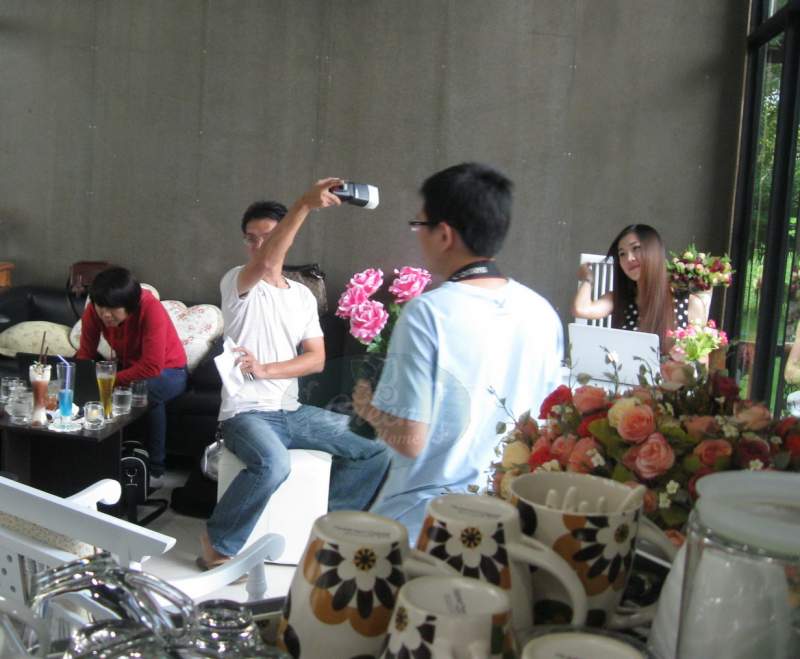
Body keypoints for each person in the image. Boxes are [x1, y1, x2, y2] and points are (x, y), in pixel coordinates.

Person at [352, 162, 564, 542]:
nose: (418, 235)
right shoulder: (542, 312)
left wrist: (368, 408)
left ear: (444, 234)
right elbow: (548, 424)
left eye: (419, 224)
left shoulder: (429, 313)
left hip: (427, 524)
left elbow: (411, 441)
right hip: (510, 522)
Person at [199, 178, 390, 568]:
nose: (259, 245)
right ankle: (217, 543)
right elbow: (266, 263)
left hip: (291, 411)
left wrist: (265, 369)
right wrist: (305, 203)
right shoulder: (237, 281)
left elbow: (316, 359)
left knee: (377, 444)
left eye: (269, 237)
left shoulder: (301, 295)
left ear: (285, 237)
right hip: (245, 414)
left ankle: (328, 529)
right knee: (274, 464)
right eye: (252, 239)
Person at [76, 267, 187, 481]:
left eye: (113, 308)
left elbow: (151, 367)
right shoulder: (94, 310)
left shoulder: (151, 309)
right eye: (101, 307)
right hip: (130, 368)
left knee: (146, 391)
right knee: (88, 390)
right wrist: (82, 379)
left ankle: (155, 470)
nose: (105, 314)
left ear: (131, 305)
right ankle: (94, 459)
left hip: (170, 371)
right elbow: (86, 353)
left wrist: (108, 382)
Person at [572, 224, 706, 346]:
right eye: (622, 254)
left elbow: (700, 361)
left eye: (636, 248)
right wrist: (588, 279)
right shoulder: (620, 299)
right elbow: (581, 309)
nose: (629, 258)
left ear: (653, 251)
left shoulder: (690, 304)